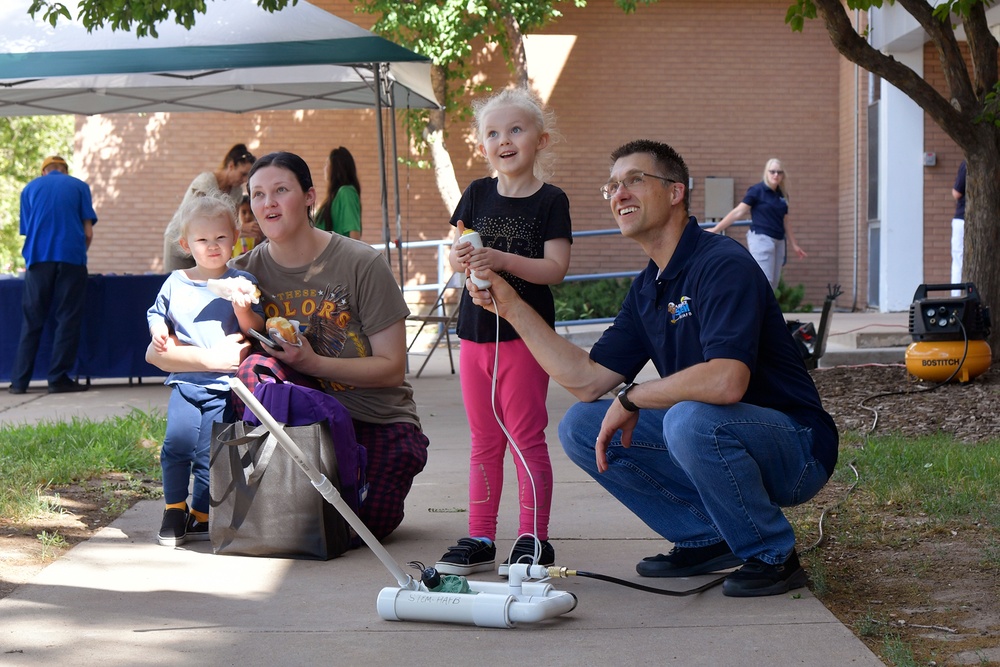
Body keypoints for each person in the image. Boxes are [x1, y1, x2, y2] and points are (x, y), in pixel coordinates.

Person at [465, 139, 838, 597]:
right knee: (582, 425)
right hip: (717, 434)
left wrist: (632, 396)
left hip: (797, 449)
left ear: (676, 192)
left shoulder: (721, 262)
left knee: (688, 417)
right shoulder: (648, 289)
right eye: (613, 186)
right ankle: (707, 535)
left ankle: (771, 553)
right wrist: (509, 304)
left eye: (635, 180)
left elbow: (726, 380)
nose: (619, 194)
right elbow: (586, 380)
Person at [230, 151, 429, 541]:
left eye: (280, 190)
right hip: (304, 423)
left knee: (361, 530)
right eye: (257, 194)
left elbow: (391, 367)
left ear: (309, 197)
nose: (267, 203)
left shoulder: (362, 263)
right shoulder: (242, 273)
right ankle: (268, 472)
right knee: (252, 368)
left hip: (374, 416)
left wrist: (314, 362)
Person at [434, 87, 572, 577]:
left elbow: (555, 268)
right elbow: (458, 251)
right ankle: (480, 535)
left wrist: (500, 259)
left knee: (525, 437)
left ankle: (534, 537)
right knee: (483, 439)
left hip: (526, 337)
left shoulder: (551, 200)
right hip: (473, 335)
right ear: (482, 144)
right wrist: (462, 259)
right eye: (493, 133)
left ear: (540, 139)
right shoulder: (475, 193)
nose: (504, 140)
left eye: (516, 129)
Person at [147, 193, 264, 546]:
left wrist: (241, 305)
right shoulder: (176, 282)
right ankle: (173, 507)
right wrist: (159, 330)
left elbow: (252, 327)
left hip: (224, 387)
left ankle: (200, 513)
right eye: (202, 240)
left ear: (235, 237)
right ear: (186, 244)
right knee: (176, 444)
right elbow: (157, 313)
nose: (212, 247)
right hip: (184, 382)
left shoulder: (241, 279)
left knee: (208, 453)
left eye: (220, 238)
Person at [8, 155, 97, 395]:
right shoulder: (80, 187)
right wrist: (78, 254)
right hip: (71, 259)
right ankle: (58, 379)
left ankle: (19, 382)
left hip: (39, 259)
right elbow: (88, 232)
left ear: (44, 171)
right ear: (65, 171)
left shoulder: (29, 189)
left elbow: (28, 231)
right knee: (67, 318)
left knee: (32, 321)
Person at [708, 158, 806, 291]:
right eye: (772, 171)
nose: (775, 175)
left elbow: (786, 221)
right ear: (766, 172)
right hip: (762, 239)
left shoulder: (783, 195)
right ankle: (755, 310)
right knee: (764, 280)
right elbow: (738, 212)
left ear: (783, 175)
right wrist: (716, 228)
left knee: (773, 283)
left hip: (779, 241)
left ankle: (762, 311)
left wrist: (794, 244)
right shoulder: (757, 190)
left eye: (779, 172)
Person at [162, 143, 256, 272]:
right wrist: (243, 228)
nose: (245, 180)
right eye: (242, 174)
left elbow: (231, 223)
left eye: (248, 176)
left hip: (206, 244)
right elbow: (201, 219)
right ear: (231, 166)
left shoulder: (237, 192)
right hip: (178, 240)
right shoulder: (206, 181)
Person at [314, 146, 362, 239]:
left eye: (327, 164)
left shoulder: (346, 192)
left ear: (335, 167)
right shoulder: (334, 197)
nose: (324, 168)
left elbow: (354, 233)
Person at [951, 159, 966, 286]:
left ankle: (956, 295)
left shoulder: (967, 163)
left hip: (962, 218)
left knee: (958, 259)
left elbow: (957, 193)